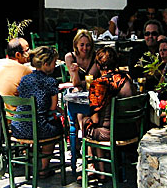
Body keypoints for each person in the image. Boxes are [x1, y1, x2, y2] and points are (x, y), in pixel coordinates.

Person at [78, 47, 135, 172]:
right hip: (131, 130)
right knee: (92, 124)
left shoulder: (99, 84)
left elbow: (95, 118)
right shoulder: (126, 79)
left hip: (110, 133)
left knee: (85, 121)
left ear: (98, 65)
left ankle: (93, 167)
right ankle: (100, 168)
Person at [13, 46, 64, 170]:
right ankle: (43, 167)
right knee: (56, 129)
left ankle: (33, 162)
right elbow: (52, 107)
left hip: (19, 126)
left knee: (41, 124)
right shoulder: (50, 82)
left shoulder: (25, 79)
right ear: (46, 64)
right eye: (53, 63)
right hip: (37, 128)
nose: (55, 66)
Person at [64, 29, 100, 172]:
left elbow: (88, 82)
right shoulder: (69, 57)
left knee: (83, 114)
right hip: (78, 92)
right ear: (76, 45)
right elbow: (76, 84)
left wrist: (79, 81)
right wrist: (74, 73)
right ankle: (85, 145)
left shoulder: (95, 57)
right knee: (80, 111)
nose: (85, 48)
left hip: (92, 93)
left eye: (88, 45)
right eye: (82, 45)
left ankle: (83, 145)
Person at [0, 37, 31, 107]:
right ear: (18, 55)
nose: (30, 53)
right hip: (10, 116)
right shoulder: (25, 70)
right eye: (27, 50)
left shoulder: (0, 66)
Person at [129, 20, 165, 88]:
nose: (150, 36)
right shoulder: (136, 51)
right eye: (147, 34)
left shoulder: (164, 50)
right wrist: (157, 73)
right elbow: (133, 73)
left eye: (154, 33)